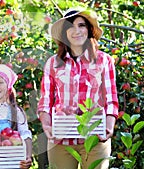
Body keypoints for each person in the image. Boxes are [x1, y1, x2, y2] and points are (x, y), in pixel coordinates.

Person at [37, 7, 119, 169]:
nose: (76, 31)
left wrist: (109, 124)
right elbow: (46, 101)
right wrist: (46, 125)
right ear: (64, 33)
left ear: (89, 30)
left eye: (81, 25)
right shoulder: (54, 63)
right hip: (62, 140)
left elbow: (111, 98)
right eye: (70, 27)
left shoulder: (104, 61)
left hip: (95, 136)